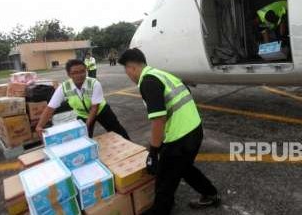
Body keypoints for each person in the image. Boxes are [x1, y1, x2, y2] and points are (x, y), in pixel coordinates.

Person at [118, 48, 220, 215]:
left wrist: (154, 152)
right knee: (184, 168)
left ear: (132, 68)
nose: (128, 75)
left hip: (180, 138)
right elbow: (186, 92)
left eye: (126, 70)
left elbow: (158, 119)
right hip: (194, 129)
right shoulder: (161, 74)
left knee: (164, 181)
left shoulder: (148, 82)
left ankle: (161, 210)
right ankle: (210, 194)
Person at [35, 59, 130, 139]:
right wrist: (39, 126)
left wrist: (87, 125)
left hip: (101, 111)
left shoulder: (94, 83)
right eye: (75, 73)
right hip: (83, 114)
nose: (79, 75)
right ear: (69, 74)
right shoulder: (64, 87)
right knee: (83, 138)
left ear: (86, 71)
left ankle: (130, 146)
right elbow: (50, 108)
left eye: (82, 71)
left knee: (118, 132)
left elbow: (95, 107)